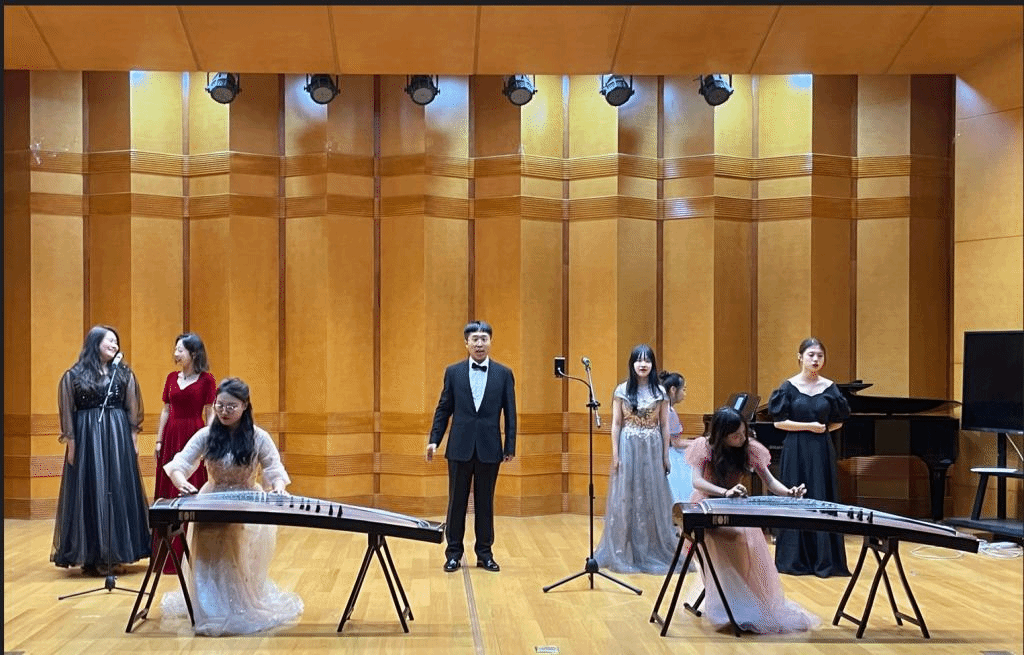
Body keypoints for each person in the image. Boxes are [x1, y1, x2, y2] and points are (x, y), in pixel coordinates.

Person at [161, 377, 302, 636]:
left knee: (236, 554)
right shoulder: (206, 434)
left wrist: (278, 487)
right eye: (220, 405)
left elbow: (273, 468)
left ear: (245, 406)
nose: (224, 411)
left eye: (231, 406)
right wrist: (181, 482)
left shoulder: (258, 437)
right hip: (212, 499)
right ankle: (209, 610)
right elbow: (180, 463)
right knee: (208, 554)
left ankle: (237, 606)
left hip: (247, 501)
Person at [686, 406, 819, 634]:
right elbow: (697, 481)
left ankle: (744, 602)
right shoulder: (704, 447)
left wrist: (789, 492)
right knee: (729, 541)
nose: (741, 438)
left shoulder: (750, 449)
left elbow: (770, 481)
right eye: (735, 435)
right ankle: (730, 603)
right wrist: (725, 492)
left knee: (746, 543)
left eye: (743, 433)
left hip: (734, 508)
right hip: (706, 506)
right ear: (721, 435)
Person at [50, 325, 151, 575]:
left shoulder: (124, 374)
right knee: (90, 490)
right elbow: (68, 412)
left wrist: (133, 441)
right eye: (110, 341)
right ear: (95, 343)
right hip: (87, 439)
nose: (115, 345)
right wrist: (71, 445)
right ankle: (91, 555)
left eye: (116, 342)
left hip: (117, 438)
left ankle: (115, 553)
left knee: (116, 489)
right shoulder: (73, 375)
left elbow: (132, 410)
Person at [426, 320, 516, 574]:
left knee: (485, 503)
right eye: (474, 339)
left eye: (483, 339)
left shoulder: (503, 374)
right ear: (466, 343)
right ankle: (453, 553)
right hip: (459, 447)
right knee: (456, 502)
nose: (479, 344)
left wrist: (510, 445)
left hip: (490, 448)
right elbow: (443, 408)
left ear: (490, 342)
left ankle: (485, 554)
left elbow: (510, 412)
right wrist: (434, 439)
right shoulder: (453, 372)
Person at [769, 337, 851, 577]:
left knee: (821, 495)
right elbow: (779, 423)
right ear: (800, 357)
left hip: (821, 449)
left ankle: (825, 560)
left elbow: (838, 421)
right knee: (796, 497)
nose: (815, 359)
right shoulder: (788, 387)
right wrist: (809, 427)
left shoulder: (830, 387)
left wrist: (821, 430)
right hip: (796, 448)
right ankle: (794, 560)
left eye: (820, 356)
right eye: (811, 355)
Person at [593, 344, 678, 574]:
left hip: (652, 447)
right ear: (632, 364)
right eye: (639, 360)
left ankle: (650, 549)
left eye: (647, 360)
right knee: (626, 496)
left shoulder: (660, 392)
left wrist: (665, 455)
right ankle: (623, 550)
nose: (643, 364)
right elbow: (616, 424)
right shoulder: (621, 391)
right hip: (628, 445)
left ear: (652, 364)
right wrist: (615, 454)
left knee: (651, 495)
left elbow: (664, 425)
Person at [153, 332, 217, 574]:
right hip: (171, 435)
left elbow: (210, 412)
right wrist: (159, 440)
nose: (176, 353)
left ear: (194, 353)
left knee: (191, 489)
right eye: (176, 349)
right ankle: (165, 556)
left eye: (180, 350)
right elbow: (166, 410)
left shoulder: (207, 380)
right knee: (168, 489)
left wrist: (210, 441)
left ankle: (190, 556)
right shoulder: (171, 378)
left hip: (195, 433)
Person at [660, 370, 693, 509]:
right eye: (683, 389)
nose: (684, 394)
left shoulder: (662, 407)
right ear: (673, 390)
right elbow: (676, 443)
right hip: (669, 454)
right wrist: (700, 442)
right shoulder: (669, 411)